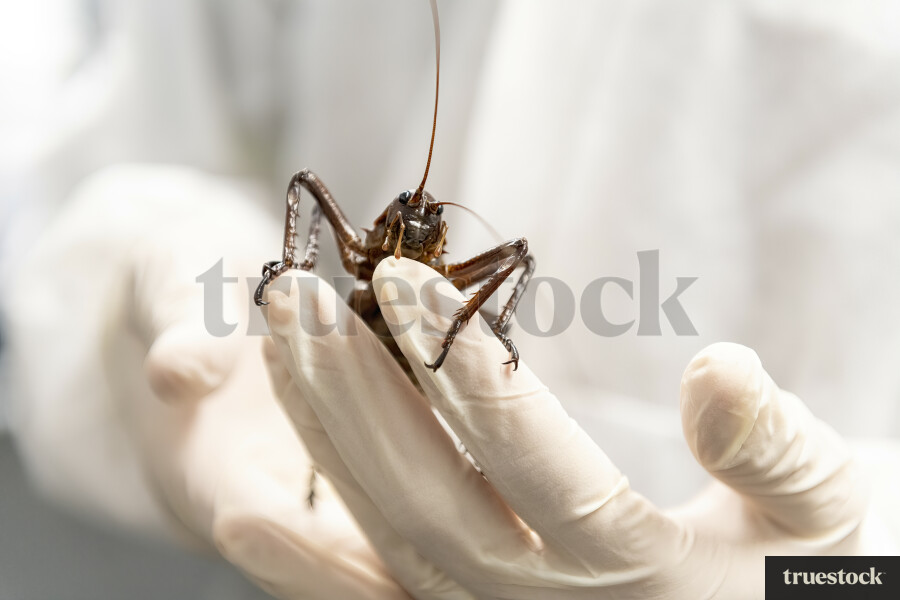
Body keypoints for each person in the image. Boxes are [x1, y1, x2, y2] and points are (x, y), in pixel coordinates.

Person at [1, 0, 898, 598]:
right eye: (417, 220)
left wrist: (841, 572)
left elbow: (514, 259)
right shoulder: (376, 234)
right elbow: (136, 135)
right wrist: (169, 280)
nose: (424, 229)